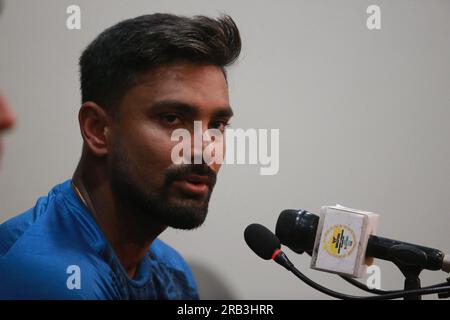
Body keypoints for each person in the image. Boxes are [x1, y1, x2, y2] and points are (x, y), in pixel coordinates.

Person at [0, 13, 241, 299]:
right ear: (98, 129)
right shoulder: (54, 278)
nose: (203, 150)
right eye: (172, 118)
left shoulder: (172, 271)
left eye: (216, 126)